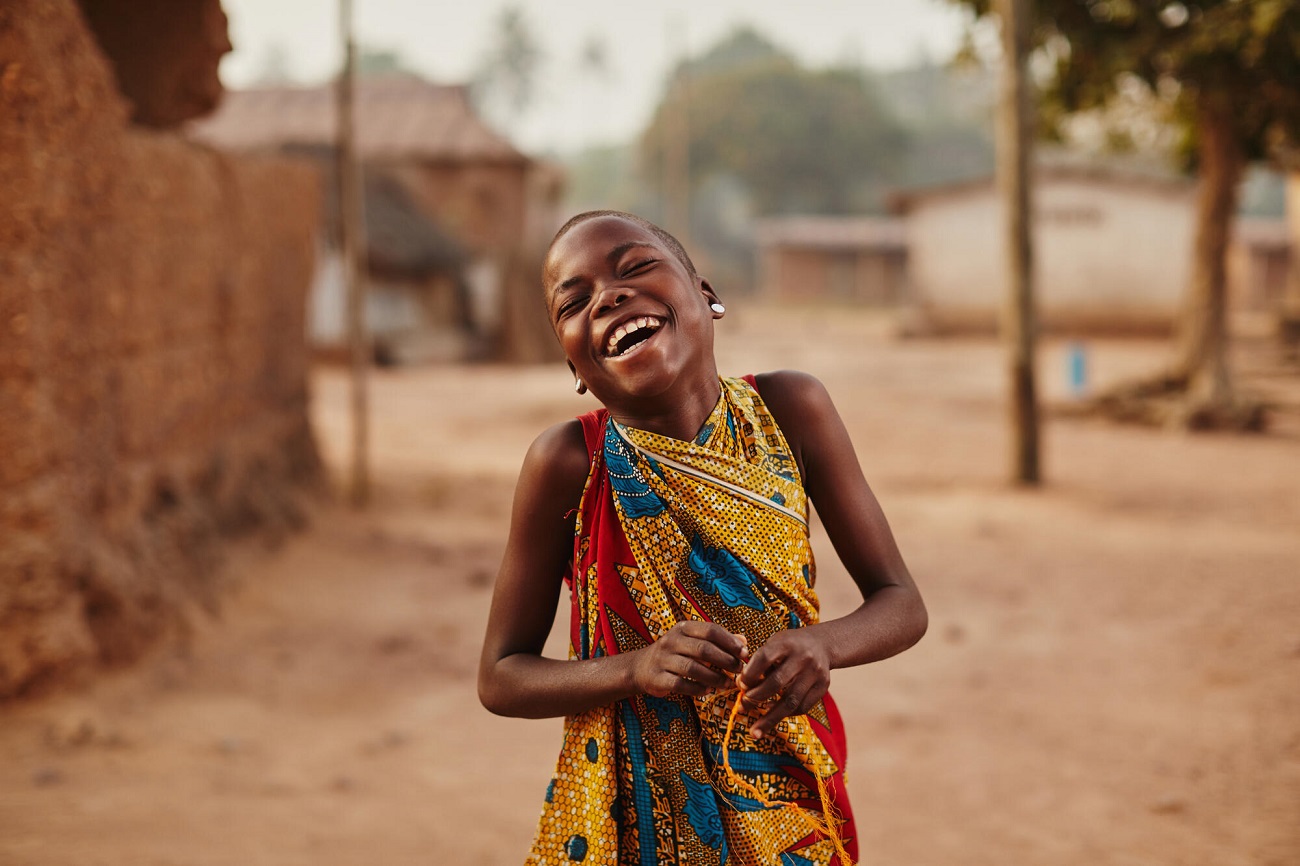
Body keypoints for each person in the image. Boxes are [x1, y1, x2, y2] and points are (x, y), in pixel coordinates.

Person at [478, 210, 926, 866]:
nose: (609, 296)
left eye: (634, 268)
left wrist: (822, 646)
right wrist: (635, 668)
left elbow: (900, 602)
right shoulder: (567, 463)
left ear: (707, 295)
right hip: (636, 823)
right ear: (573, 362)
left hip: (789, 798)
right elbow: (501, 676)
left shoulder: (792, 409)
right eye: (574, 302)